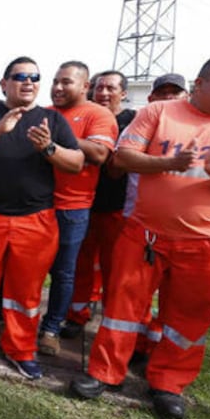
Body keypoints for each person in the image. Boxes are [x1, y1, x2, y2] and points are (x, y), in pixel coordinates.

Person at [70, 53, 210, 419]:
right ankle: (104, 373)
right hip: (145, 233)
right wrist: (168, 164)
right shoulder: (160, 112)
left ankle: (168, 384)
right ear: (200, 83)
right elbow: (123, 158)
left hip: (209, 242)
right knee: (122, 310)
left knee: (187, 319)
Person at [0, 56, 83, 379]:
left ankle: (21, 349)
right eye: (20, 76)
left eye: (34, 77)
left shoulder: (52, 120)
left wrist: (49, 148)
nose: (28, 82)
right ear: (4, 83)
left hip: (34, 220)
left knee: (25, 293)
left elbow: (77, 162)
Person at [37, 62, 118, 356]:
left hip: (72, 208)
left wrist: (56, 138)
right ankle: (17, 323)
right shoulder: (44, 112)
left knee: (63, 272)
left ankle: (52, 328)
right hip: (37, 204)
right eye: (55, 81)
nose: (58, 87)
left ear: (85, 87)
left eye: (66, 82)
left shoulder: (98, 114)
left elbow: (99, 154)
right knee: (29, 270)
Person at [63, 71, 138, 339]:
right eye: (99, 87)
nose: (103, 93)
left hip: (116, 207)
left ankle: (112, 322)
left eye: (111, 88)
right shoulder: (87, 117)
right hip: (85, 204)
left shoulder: (132, 121)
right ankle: (77, 315)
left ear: (124, 93)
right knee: (80, 264)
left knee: (115, 269)